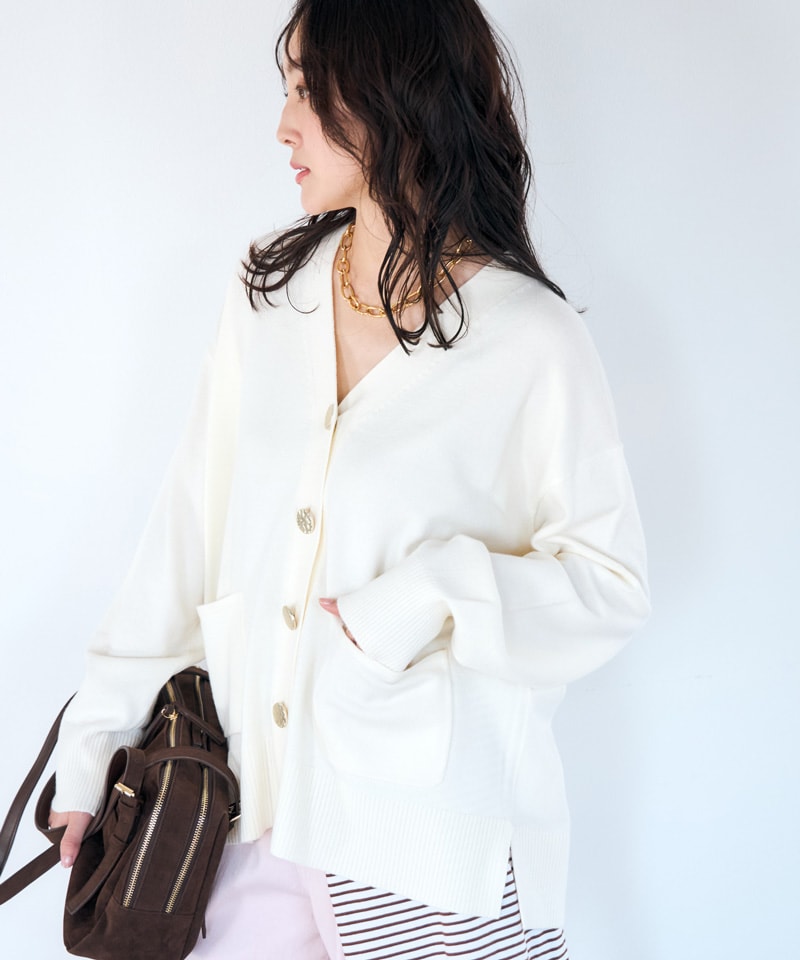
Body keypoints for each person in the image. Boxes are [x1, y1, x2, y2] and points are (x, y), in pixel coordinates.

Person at [48, 1, 650, 957]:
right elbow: (185, 537)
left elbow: (609, 586)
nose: (282, 126)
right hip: (244, 824)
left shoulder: (532, 342)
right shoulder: (267, 298)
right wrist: (94, 748)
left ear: (388, 94)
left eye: (306, 91)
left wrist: (429, 594)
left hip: (430, 852)